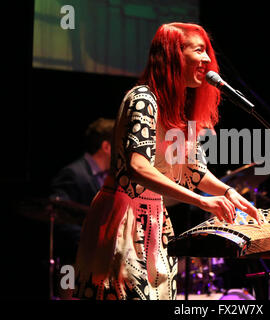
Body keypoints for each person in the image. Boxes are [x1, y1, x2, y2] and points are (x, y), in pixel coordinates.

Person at [72, 22, 260, 300]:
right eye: (199, 50)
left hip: (155, 220)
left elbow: (195, 172)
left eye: (207, 51)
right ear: (174, 54)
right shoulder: (142, 99)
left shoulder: (178, 110)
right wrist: (201, 201)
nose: (208, 59)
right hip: (123, 220)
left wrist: (230, 193)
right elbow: (138, 167)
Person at [50, 118, 115, 206]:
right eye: (120, 146)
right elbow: (59, 213)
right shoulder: (72, 174)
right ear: (106, 147)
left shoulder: (112, 177)